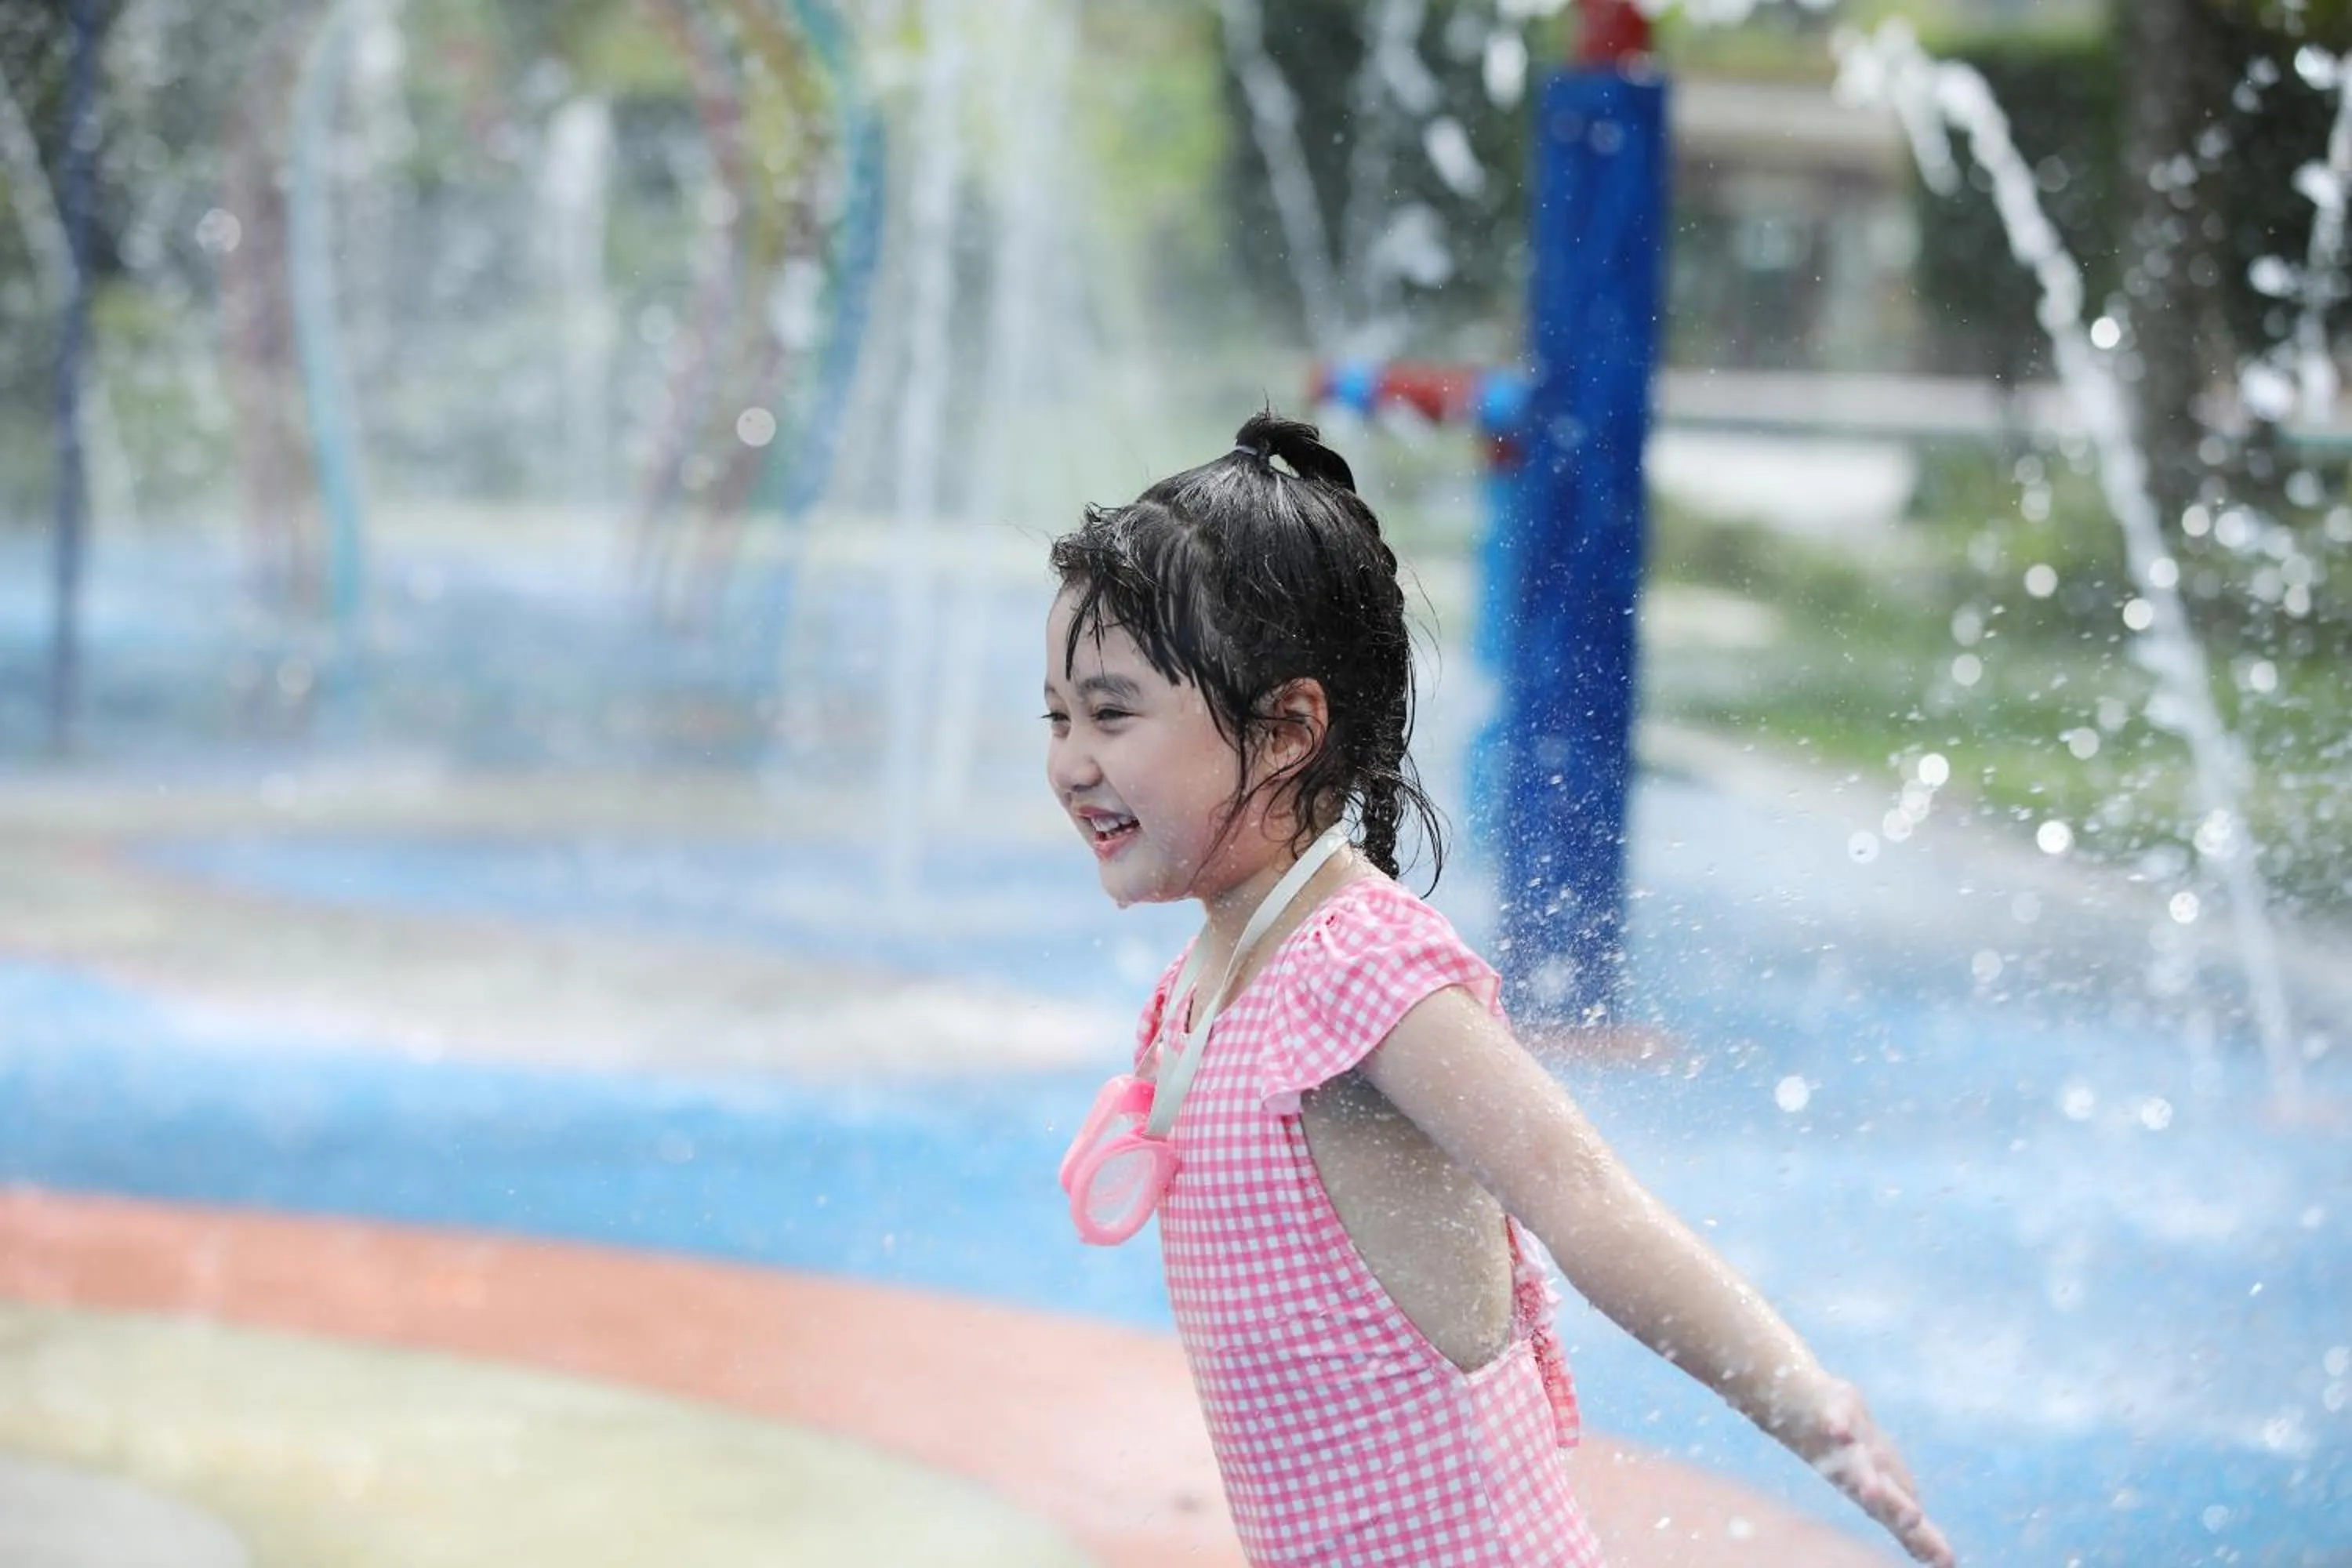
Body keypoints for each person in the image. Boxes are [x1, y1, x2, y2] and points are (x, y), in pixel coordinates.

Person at [1043, 411, 1955, 1568]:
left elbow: (1585, 1201)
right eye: (1059, 716)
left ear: (1285, 731)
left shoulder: (1354, 969)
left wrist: (1805, 1404)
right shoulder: (1207, 982)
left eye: (1112, 713)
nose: (1072, 759)